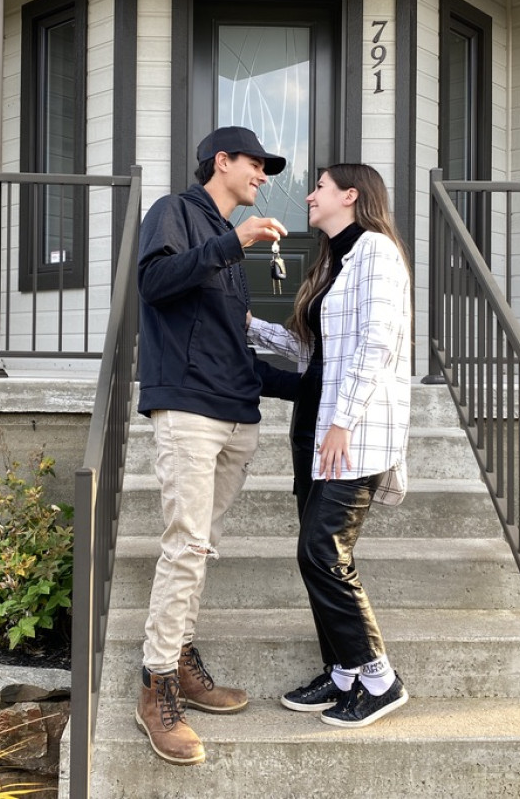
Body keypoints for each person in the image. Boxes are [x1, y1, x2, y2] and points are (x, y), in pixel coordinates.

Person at [135, 125, 289, 765]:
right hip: (188, 409)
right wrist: (232, 242)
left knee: (206, 545)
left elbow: (230, 342)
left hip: (235, 413)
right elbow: (155, 282)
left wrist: (312, 386)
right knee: (187, 545)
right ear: (220, 162)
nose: (263, 175)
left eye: (265, 168)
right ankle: (157, 684)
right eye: (254, 164)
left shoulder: (231, 250)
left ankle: (182, 659)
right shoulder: (175, 212)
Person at [247, 163, 412, 728]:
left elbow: (377, 344)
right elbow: (310, 348)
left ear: (351, 194)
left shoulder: (377, 253)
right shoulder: (332, 262)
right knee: (319, 556)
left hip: (353, 433)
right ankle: (342, 671)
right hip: (313, 427)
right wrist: (249, 325)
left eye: (319, 186)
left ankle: (379, 678)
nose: (310, 196)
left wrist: (343, 421)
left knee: (322, 552)